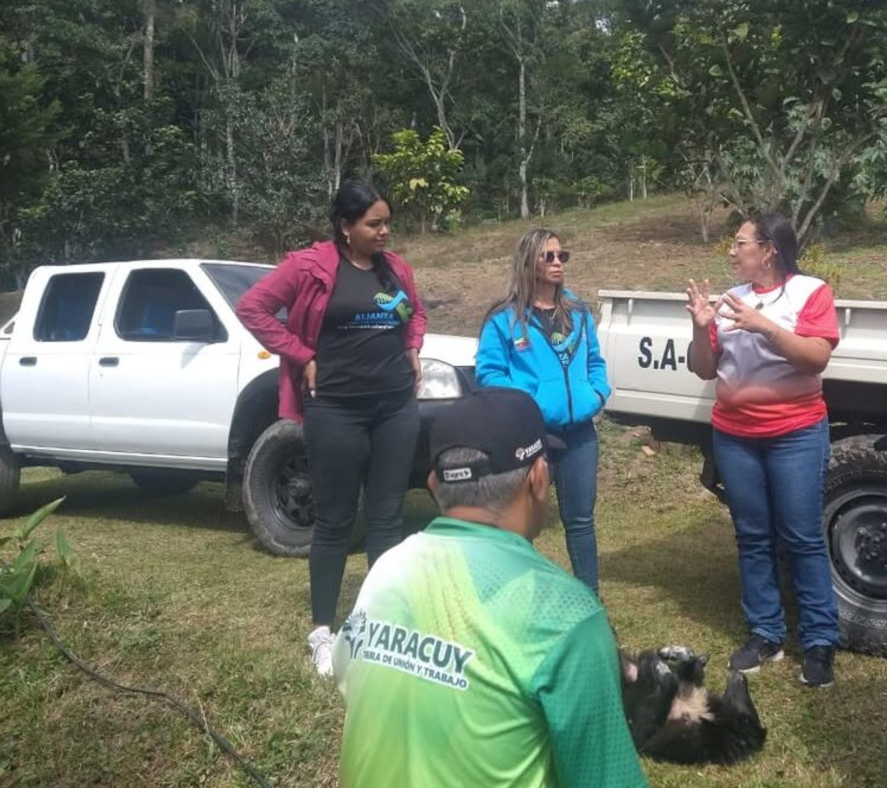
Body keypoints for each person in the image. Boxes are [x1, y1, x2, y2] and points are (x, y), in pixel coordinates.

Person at [331, 387, 647, 788]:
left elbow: (346, 671)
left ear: (433, 483)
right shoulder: (566, 615)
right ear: (538, 479)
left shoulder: (387, 570)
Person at [236, 180, 426, 677]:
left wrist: (412, 345)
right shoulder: (310, 266)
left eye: (388, 222)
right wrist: (301, 354)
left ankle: (381, 624)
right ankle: (323, 630)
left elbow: (415, 312)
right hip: (336, 409)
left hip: (395, 408)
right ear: (345, 226)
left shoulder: (395, 269)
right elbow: (252, 308)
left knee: (387, 518)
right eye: (374, 224)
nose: (385, 232)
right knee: (337, 520)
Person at [684, 210, 841, 687]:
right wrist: (700, 327)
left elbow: (817, 357)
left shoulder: (809, 292)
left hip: (795, 434)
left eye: (740, 243)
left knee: (802, 537)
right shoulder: (730, 301)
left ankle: (818, 642)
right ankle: (766, 634)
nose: (732, 252)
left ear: (769, 249)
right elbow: (704, 370)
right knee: (752, 537)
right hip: (735, 436)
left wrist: (763, 325)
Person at [475, 229, 610, 594]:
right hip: (530, 435)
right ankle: (522, 601)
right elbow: (489, 374)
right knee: (521, 525)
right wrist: (532, 401)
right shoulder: (504, 319)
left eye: (560, 256)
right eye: (547, 257)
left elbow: (595, 362)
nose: (556, 263)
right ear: (528, 263)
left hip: (580, 434)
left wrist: (596, 393)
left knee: (580, 522)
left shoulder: (578, 312)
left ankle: (590, 603)